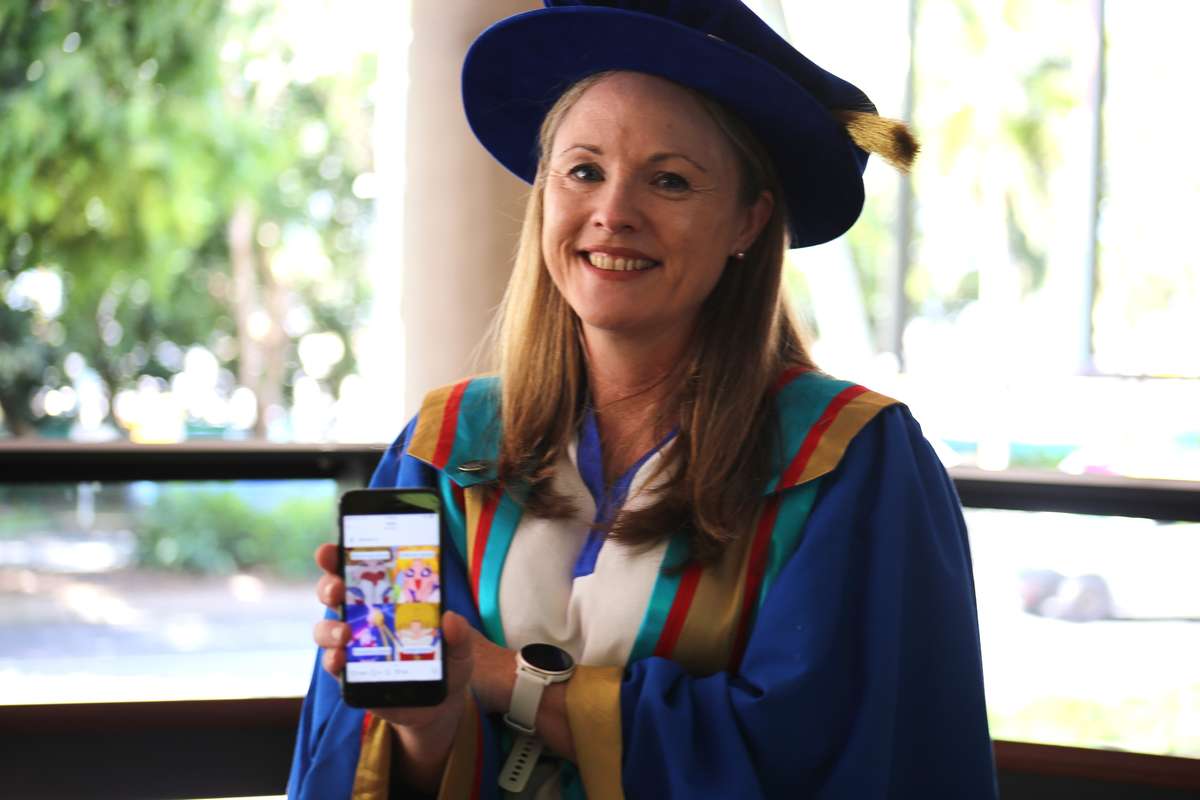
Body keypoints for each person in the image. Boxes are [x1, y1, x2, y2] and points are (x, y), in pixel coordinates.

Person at [289, 1, 998, 798]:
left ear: (748, 219)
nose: (613, 214)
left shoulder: (846, 464)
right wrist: (432, 719)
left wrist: (504, 678)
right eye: (583, 169)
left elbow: (816, 752)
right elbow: (378, 764)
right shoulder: (444, 448)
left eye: (669, 180)